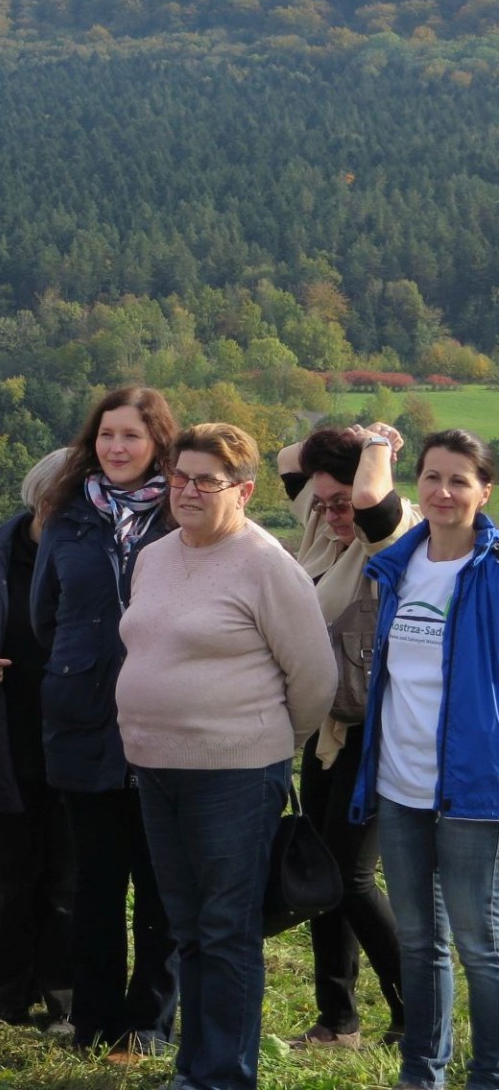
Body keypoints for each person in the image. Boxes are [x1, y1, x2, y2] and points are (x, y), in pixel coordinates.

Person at [119, 422, 335, 1090]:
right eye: (178, 477)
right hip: (156, 769)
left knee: (226, 930)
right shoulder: (154, 555)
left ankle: (223, 1075)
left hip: (234, 776)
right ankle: (196, 1067)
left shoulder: (267, 564)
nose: (185, 490)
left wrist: (264, 746)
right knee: (187, 926)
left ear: (242, 490)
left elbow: (315, 678)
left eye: (204, 481)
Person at [31, 385, 179, 1059]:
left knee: (159, 883)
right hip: (84, 720)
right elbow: (44, 615)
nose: (117, 447)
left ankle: (147, 1026)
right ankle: (93, 1022)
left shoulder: (182, 515)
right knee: (95, 882)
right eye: (107, 435)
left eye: (132, 436)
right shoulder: (66, 516)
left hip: (166, 723)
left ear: (158, 446)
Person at [351, 428, 499, 1090]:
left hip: (471, 788)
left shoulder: (493, 575)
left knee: (479, 945)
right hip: (399, 783)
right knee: (418, 940)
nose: (443, 492)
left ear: (484, 491)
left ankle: (488, 1074)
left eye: (459, 479)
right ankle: (422, 1071)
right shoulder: (399, 565)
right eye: (432, 477)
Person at [277, 422, 415, 1051]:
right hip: (327, 728)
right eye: (321, 500)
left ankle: (419, 1009)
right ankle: (337, 1020)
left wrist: (379, 443)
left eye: (339, 501)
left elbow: (368, 503)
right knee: (323, 874)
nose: (330, 512)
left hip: (380, 732)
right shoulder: (320, 535)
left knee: (350, 878)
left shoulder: (388, 537)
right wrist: (343, 446)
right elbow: (289, 460)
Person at [0, 448, 75, 1034]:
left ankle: (62, 999)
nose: (64, 510)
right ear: (38, 496)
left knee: (66, 881)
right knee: (7, 878)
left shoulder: (92, 554)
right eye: (58, 499)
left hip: (77, 740)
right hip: (4, 737)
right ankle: (4, 997)